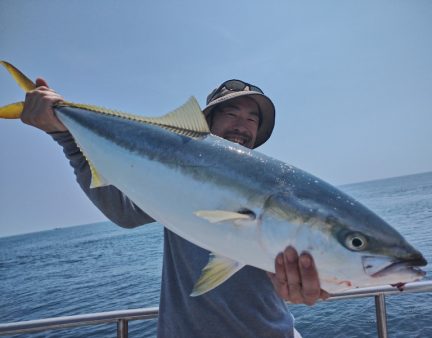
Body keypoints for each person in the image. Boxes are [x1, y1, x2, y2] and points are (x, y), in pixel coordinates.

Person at [22, 77, 329, 337]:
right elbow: (123, 212)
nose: (242, 126)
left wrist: (299, 283)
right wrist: (62, 132)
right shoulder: (176, 176)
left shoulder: (280, 190)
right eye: (231, 114)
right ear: (207, 122)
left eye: (252, 119)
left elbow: (288, 265)